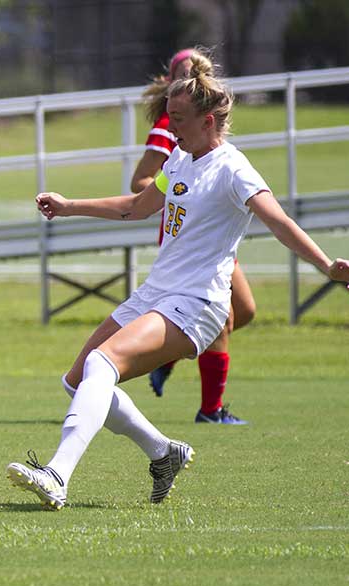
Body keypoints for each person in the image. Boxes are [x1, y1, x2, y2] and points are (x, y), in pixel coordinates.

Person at [6, 54, 349, 510]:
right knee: (78, 379)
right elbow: (137, 206)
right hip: (156, 293)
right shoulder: (180, 159)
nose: (172, 128)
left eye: (180, 120)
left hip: (197, 304)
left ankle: (57, 475)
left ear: (209, 121)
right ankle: (163, 452)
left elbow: (279, 222)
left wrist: (326, 266)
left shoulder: (233, 168)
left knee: (103, 363)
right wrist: (70, 206)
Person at [131, 47, 254, 425]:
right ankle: (210, 411)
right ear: (171, 81)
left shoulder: (207, 131)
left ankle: (168, 355)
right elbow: (140, 185)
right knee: (220, 320)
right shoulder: (167, 127)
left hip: (213, 231)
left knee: (244, 312)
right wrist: (179, 194)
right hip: (188, 232)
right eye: (182, 73)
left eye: (196, 72)